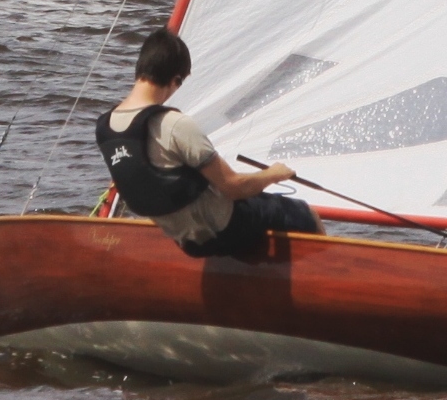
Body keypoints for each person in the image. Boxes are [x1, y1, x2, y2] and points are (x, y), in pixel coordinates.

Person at [96, 27, 322, 257]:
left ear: (140, 69)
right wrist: (273, 174)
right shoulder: (174, 125)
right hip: (224, 229)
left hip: (186, 240)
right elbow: (234, 187)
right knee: (306, 214)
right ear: (176, 80)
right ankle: (326, 271)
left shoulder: (105, 128)